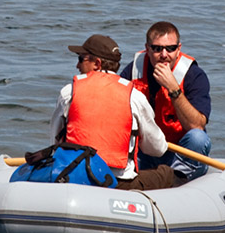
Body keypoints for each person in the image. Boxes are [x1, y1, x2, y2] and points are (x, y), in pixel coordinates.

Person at [50, 34, 175, 190]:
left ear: (97, 63)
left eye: (82, 59)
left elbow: (54, 144)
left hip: (74, 177)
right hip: (119, 183)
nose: (77, 65)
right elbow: (157, 149)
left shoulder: (68, 92)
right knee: (167, 173)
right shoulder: (134, 97)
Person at [119, 21, 212, 182]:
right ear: (147, 48)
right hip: (144, 151)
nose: (164, 55)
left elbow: (197, 125)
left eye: (170, 48)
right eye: (157, 48)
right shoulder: (133, 71)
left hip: (179, 153)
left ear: (179, 49)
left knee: (198, 138)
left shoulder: (194, 76)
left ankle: (175, 180)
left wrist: (173, 89)